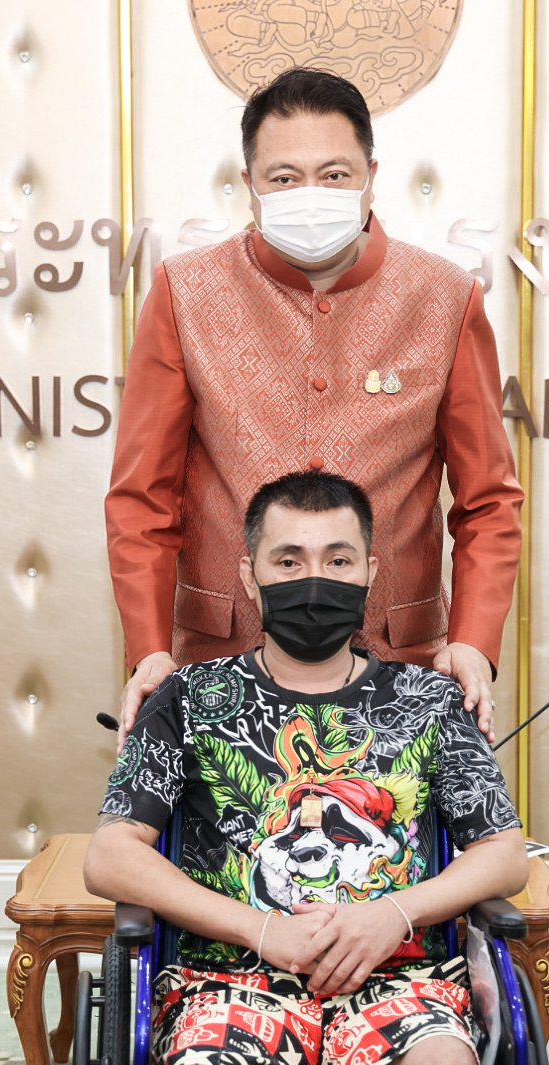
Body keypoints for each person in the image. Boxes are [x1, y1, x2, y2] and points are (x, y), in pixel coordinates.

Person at [105, 67, 523, 743]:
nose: (310, 196)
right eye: (284, 177)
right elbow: (142, 499)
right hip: (222, 666)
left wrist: (473, 640)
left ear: (370, 177)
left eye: (334, 175)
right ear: (249, 185)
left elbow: (488, 501)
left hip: (401, 670)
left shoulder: (445, 298)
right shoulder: (185, 292)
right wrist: (150, 647)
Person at [85, 470, 528, 1065]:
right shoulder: (187, 698)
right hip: (228, 983)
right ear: (251, 576)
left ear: (370, 571)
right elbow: (109, 856)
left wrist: (393, 915)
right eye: (289, 561)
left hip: (401, 981)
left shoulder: (429, 700)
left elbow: (504, 854)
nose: (314, 581)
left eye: (338, 560)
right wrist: (262, 930)